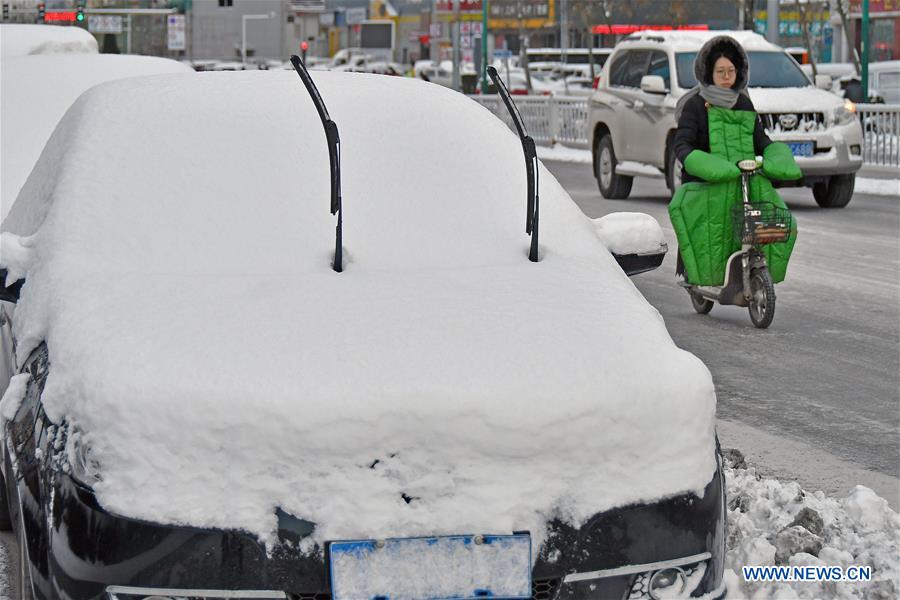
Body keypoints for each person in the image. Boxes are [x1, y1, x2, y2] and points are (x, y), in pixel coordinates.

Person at [668, 35, 800, 288]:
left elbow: (760, 139)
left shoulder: (744, 103)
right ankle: (704, 279)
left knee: (781, 225)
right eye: (720, 71)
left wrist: (775, 154)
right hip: (707, 184)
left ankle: (760, 275)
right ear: (708, 73)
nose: (726, 76)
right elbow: (682, 144)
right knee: (710, 237)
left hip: (745, 182)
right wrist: (702, 163)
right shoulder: (695, 106)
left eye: (731, 71)